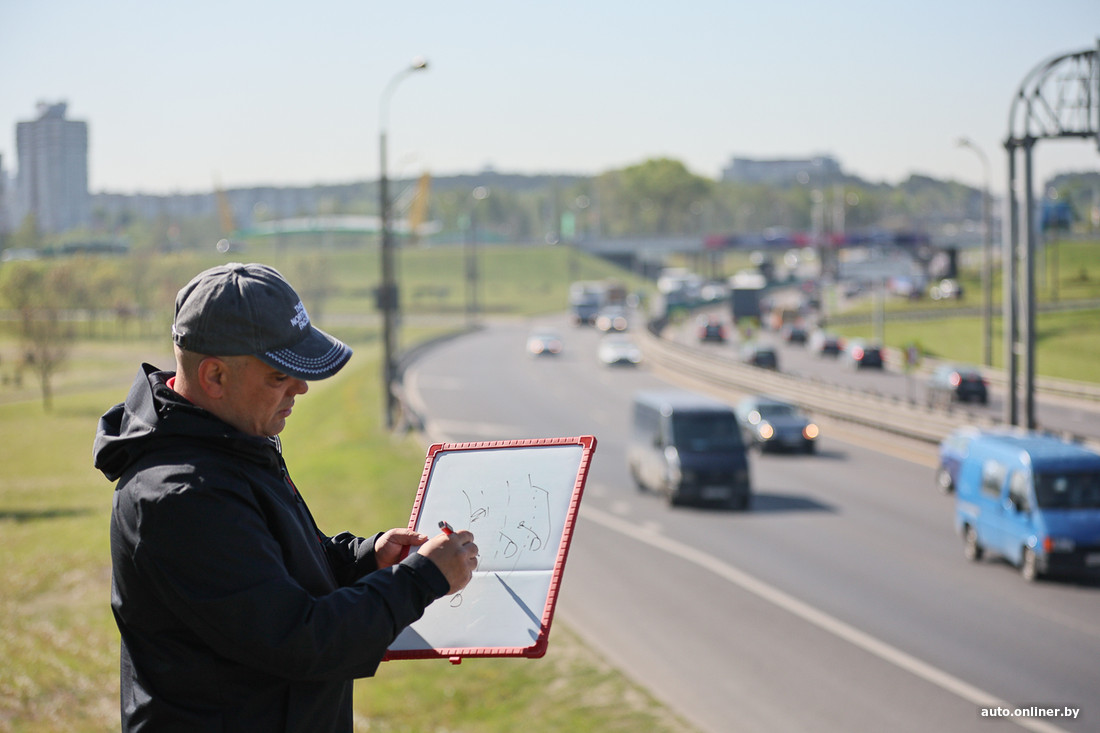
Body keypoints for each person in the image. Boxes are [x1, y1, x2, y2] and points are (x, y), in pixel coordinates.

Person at [93, 262, 478, 732]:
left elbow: (273, 567)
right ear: (214, 377)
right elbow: (301, 640)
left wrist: (363, 559)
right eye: (280, 376)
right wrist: (421, 581)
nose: (302, 387)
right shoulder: (181, 497)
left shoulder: (226, 440)